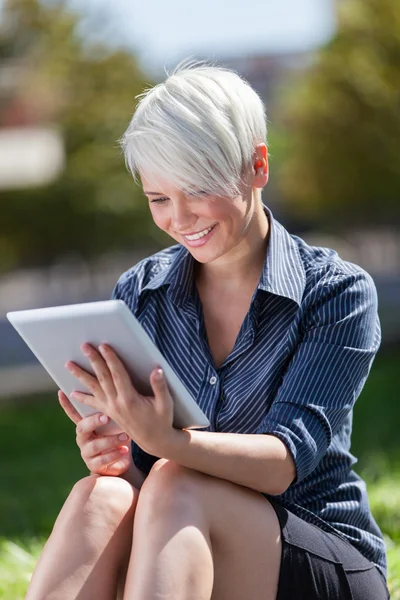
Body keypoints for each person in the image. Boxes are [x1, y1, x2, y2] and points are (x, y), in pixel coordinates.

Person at [25, 62, 390, 600]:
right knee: (97, 496)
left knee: (176, 479)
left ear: (257, 165)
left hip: (317, 555)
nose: (180, 218)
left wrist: (166, 441)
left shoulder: (336, 292)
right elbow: (140, 485)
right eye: (158, 199)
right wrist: (120, 455)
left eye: (197, 189)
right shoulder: (141, 293)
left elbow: (284, 465)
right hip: (183, 542)